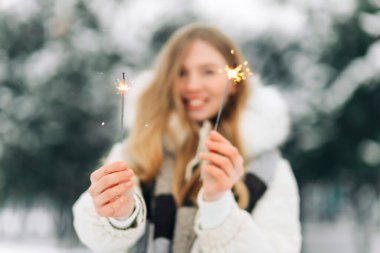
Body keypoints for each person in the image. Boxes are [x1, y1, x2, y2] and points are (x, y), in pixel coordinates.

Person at [72, 24, 302, 253]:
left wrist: (217, 203)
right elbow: (94, 237)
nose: (192, 85)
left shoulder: (270, 171)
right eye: (181, 73)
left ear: (233, 83)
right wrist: (120, 218)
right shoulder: (135, 150)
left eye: (208, 72)